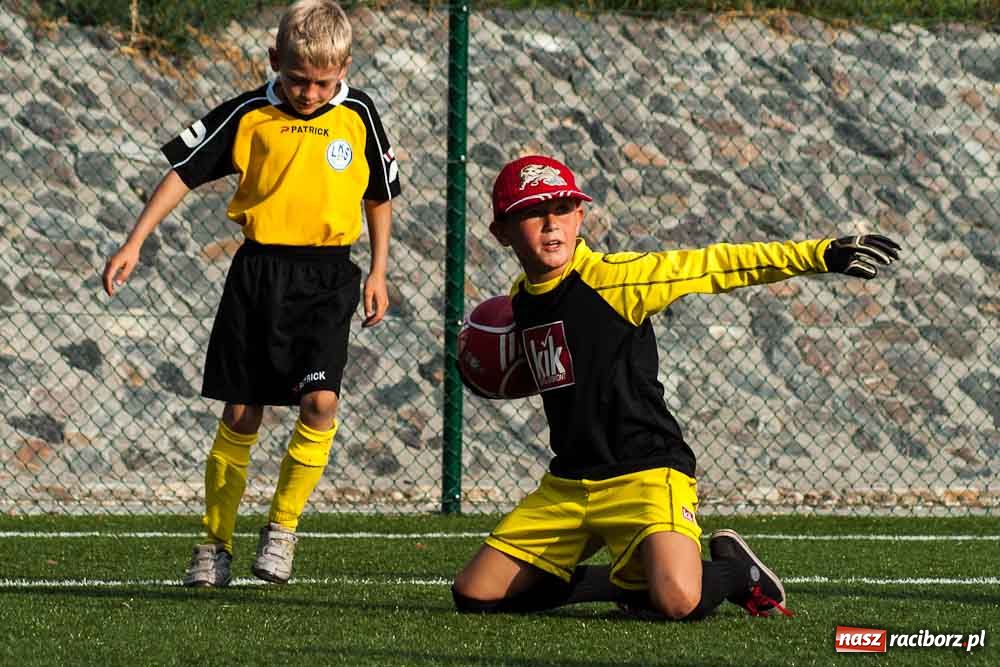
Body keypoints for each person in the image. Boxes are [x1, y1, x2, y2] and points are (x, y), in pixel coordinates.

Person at [451, 155, 900, 620]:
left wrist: (818, 254)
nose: (551, 224)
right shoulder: (521, 297)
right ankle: (629, 586)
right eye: (531, 213)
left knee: (677, 601)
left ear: (580, 217)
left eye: (563, 209)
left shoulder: (617, 279)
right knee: (475, 595)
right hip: (569, 483)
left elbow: (716, 264)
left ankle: (736, 575)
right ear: (501, 232)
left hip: (646, 473)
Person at [102, 0, 401, 587]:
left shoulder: (359, 114)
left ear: (344, 69)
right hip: (258, 275)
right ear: (274, 61)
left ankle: (282, 530)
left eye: (323, 82)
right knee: (242, 412)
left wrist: (378, 270)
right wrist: (134, 241)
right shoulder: (248, 112)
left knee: (321, 403)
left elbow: (379, 195)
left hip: (327, 278)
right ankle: (214, 544)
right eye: (296, 79)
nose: (309, 93)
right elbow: (184, 171)